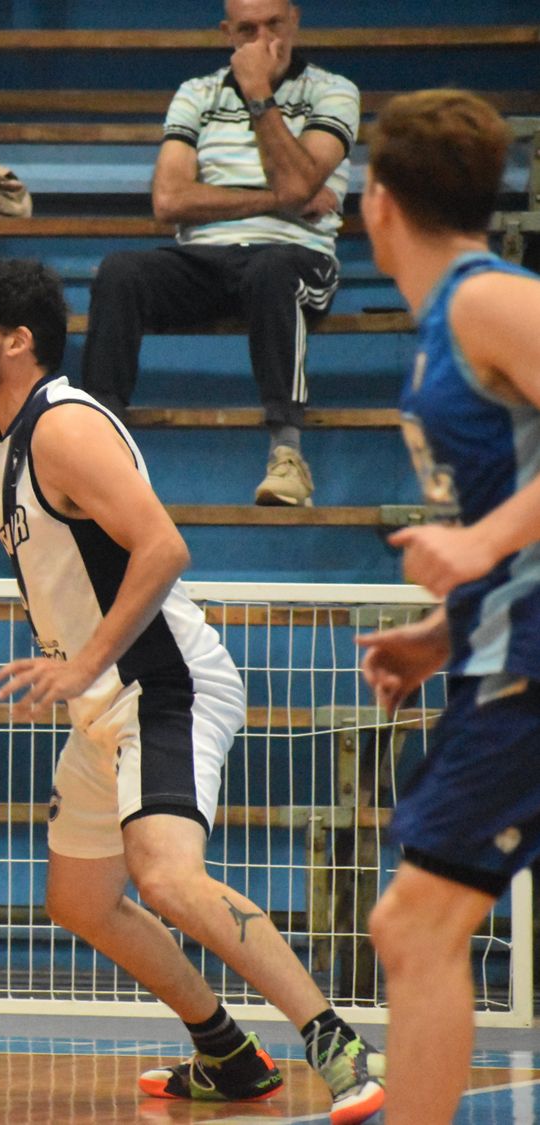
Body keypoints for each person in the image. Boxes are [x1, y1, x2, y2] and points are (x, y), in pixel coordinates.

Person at [0, 257, 385, 1123]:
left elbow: (164, 548)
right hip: (106, 702)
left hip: (163, 681)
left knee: (167, 877)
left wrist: (81, 661)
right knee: (79, 898)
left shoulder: (64, 425)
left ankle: (337, 1040)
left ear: (17, 340)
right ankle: (227, 1053)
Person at [353, 90, 540, 1125]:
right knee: (420, 923)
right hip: (504, 651)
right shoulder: (446, 324)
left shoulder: (486, 299)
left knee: (415, 924)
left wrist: (475, 545)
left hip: (530, 669)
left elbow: (501, 523)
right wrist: (443, 630)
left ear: (374, 200)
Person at [80, 0, 359, 507]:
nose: (263, 41)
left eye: (274, 24)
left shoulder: (333, 91)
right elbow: (169, 199)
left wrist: (258, 94)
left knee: (273, 268)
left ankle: (286, 456)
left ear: (294, 21)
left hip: (296, 256)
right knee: (120, 272)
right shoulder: (197, 93)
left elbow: (296, 178)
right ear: (226, 33)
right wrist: (283, 200)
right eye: (247, 29)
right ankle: (97, 451)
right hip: (206, 259)